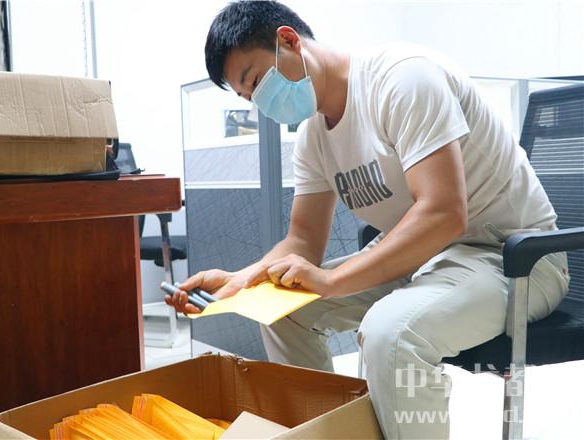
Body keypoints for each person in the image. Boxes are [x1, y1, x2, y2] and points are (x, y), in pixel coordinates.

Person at [165, 1, 570, 438]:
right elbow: (302, 240)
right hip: (425, 255)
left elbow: (443, 213)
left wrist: (332, 281)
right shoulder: (313, 137)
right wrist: (240, 281)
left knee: (390, 333)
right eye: (249, 98)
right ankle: (329, 434)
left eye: (257, 81)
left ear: (288, 41)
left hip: (513, 257)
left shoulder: (403, 79)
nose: (261, 102)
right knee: (283, 311)